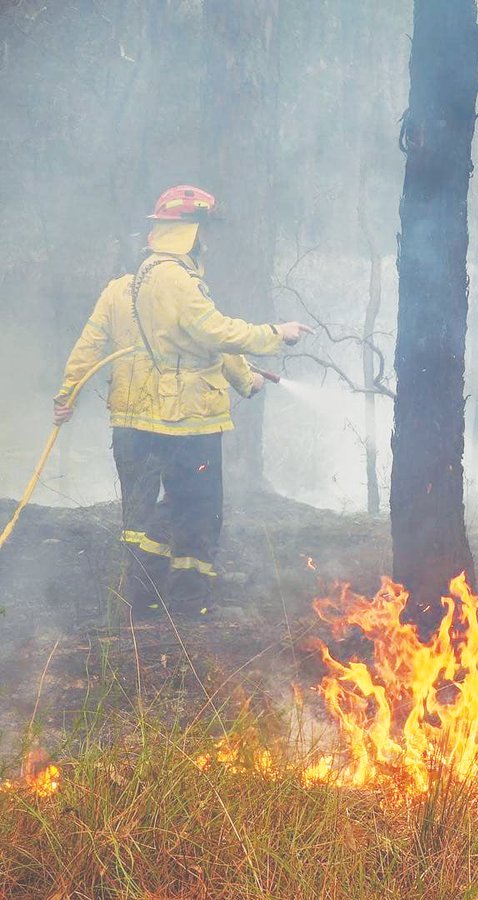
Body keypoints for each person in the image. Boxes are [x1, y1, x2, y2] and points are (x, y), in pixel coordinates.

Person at [54, 184, 313, 616]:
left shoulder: (121, 288)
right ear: (190, 233)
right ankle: (190, 602)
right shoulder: (179, 281)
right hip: (186, 422)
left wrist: (67, 395)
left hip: (132, 423)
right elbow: (213, 334)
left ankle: (143, 596)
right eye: (203, 232)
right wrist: (275, 335)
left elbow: (91, 343)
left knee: (139, 516)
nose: (207, 242)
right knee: (197, 507)